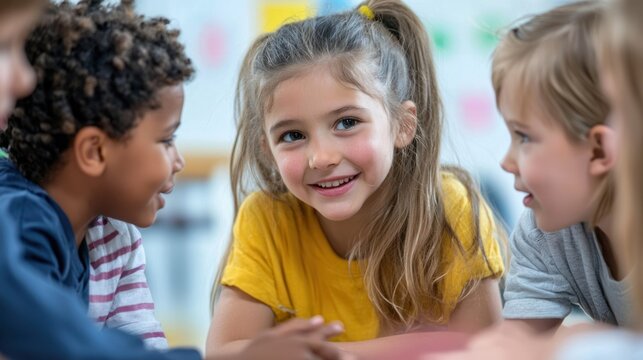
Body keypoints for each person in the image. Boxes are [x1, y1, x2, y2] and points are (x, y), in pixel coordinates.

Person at [0, 1, 344, 359]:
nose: (178, 160)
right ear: (95, 152)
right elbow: (62, 348)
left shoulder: (115, 236)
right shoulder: (17, 218)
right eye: (166, 139)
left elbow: (144, 350)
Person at [207, 0, 505, 358]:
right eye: (292, 136)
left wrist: (333, 355)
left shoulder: (448, 208)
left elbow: (486, 348)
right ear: (268, 149)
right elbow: (222, 352)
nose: (322, 157)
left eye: (347, 123)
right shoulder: (267, 219)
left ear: (403, 125)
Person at [493, 0, 625, 332]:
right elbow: (517, 348)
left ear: (598, 150)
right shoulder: (544, 234)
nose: (506, 162)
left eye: (524, 136)